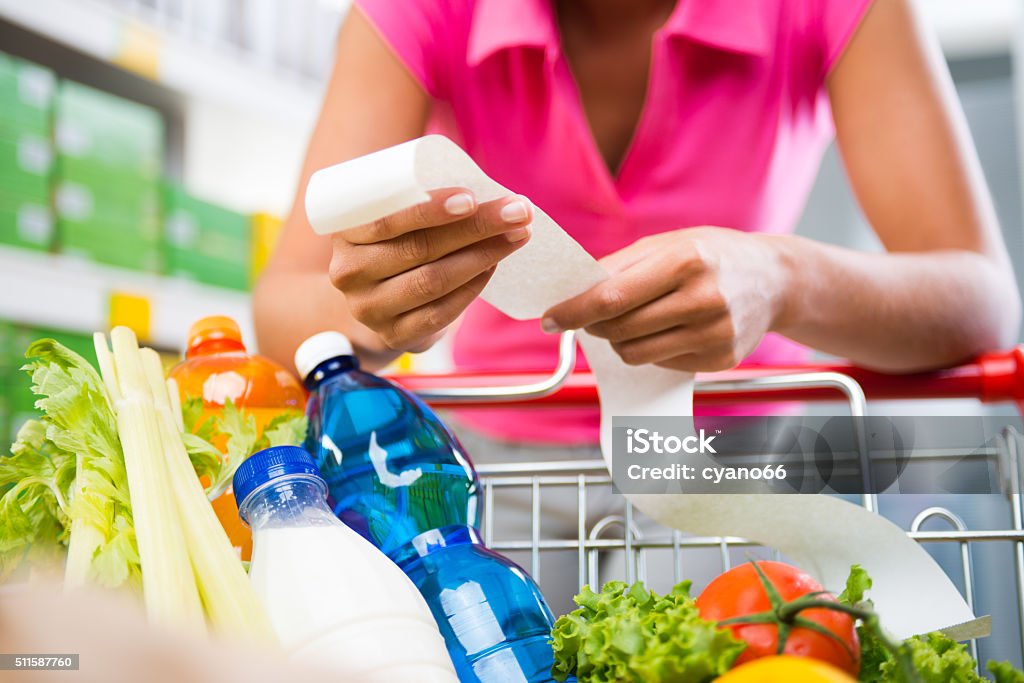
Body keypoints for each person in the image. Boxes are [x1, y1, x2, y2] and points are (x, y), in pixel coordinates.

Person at [253, 0, 1021, 605]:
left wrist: (784, 276)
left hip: (736, 446)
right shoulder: (422, 10)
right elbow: (285, 304)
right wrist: (381, 310)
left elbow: (982, 300)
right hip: (496, 459)